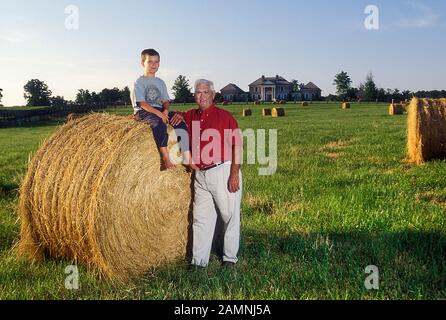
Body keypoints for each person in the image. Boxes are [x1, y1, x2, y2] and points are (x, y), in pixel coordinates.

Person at [171, 79, 243, 268]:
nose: (201, 96)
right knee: (201, 219)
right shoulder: (191, 115)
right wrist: (176, 114)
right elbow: (174, 118)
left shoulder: (225, 117)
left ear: (213, 94)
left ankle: (229, 259)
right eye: (197, 93)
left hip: (223, 171)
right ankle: (198, 262)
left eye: (205, 92)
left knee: (229, 216)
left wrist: (234, 173)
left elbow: (238, 146)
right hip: (200, 175)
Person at [132, 48, 192, 170]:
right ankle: (165, 157)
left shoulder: (161, 82)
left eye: (156, 61)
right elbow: (142, 103)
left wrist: (165, 110)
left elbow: (165, 101)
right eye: (150, 61)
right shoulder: (139, 82)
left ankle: (186, 155)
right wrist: (159, 114)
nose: (154, 64)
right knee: (159, 123)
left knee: (179, 121)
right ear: (142, 63)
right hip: (143, 111)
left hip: (159, 109)